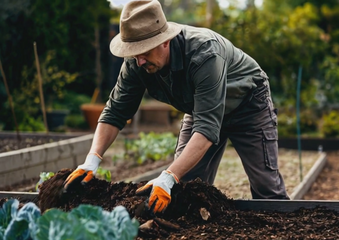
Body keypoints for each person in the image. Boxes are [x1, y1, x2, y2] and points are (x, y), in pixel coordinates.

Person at [63, 0, 289, 214]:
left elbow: (207, 128)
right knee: (184, 189)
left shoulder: (204, 54)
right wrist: (92, 159)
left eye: (145, 51)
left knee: (266, 191)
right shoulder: (136, 62)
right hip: (200, 108)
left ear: (165, 40)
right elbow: (114, 112)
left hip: (248, 105)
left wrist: (169, 174)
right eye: (135, 52)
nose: (140, 60)